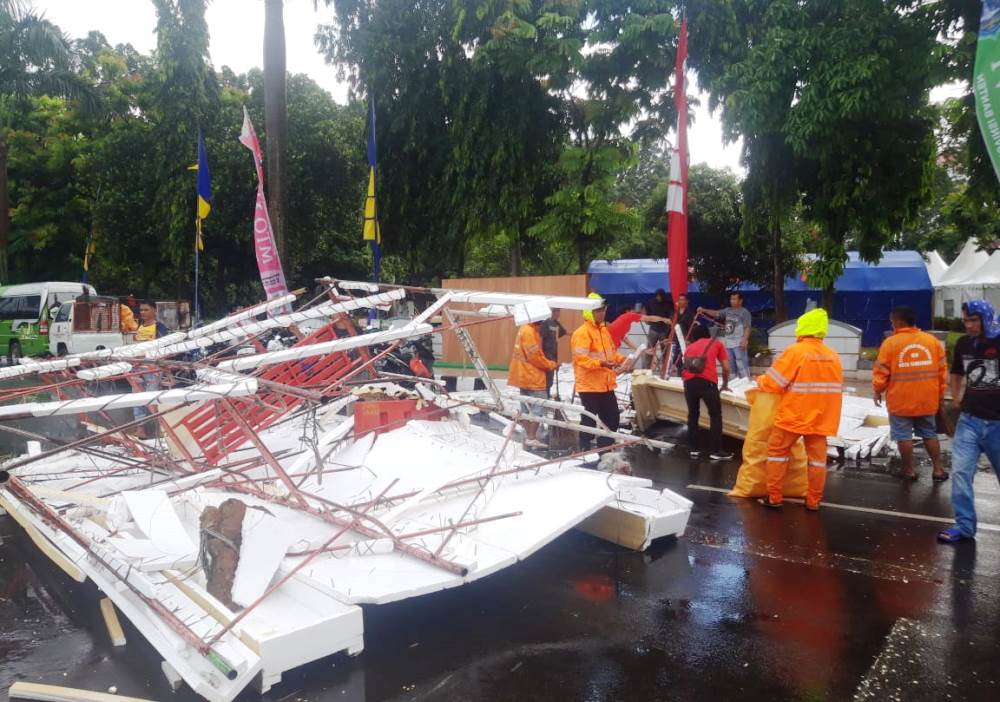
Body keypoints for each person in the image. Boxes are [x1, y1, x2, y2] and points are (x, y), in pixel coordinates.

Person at [756, 308, 843, 511]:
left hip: (794, 414)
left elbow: (774, 383)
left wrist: (760, 380)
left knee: (777, 453)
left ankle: (775, 498)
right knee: (818, 462)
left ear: (802, 328)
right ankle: (813, 502)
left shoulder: (796, 352)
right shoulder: (833, 356)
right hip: (822, 417)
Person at [937, 300, 1000, 543]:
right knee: (961, 473)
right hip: (970, 421)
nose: (969, 325)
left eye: (974, 320)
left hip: (997, 423)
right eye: (966, 321)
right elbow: (956, 371)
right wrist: (956, 397)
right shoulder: (964, 344)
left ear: (985, 318)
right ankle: (964, 526)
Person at [872, 305, 948, 481]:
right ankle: (938, 470)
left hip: (901, 400)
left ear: (898, 322)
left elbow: (881, 372)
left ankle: (908, 471)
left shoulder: (890, 343)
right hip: (927, 399)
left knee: (903, 436)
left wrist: (877, 391)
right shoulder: (932, 341)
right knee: (929, 433)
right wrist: (940, 395)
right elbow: (942, 372)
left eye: (892, 322)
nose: (892, 325)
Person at [572, 293, 625, 450]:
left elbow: (611, 353)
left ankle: (603, 447)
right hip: (589, 385)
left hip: (605, 384)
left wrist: (623, 360)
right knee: (589, 420)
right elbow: (581, 359)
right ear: (590, 312)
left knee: (613, 418)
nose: (602, 313)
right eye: (598, 310)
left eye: (603, 310)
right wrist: (601, 363)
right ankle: (584, 448)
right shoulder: (581, 333)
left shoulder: (603, 331)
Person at [682, 324, 732, 460]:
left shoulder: (689, 348)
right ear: (708, 333)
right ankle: (715, 451)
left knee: (693, 415)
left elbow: (685, 367)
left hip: (689, 383)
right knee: (715, 415)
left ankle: (693, 448)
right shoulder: (717, 344)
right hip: (707, 383)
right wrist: (725, 384)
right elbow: (726, 368)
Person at [510, 320, 559, 449]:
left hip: (522, 375)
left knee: (526, 408)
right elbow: (535, 357)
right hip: (533, 377)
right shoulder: (530, 332)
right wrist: (551, 365)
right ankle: (531, 438)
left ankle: (529, 437)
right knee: (538, 408)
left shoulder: (524, 329)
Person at [698, 292, 752, 379]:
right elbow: (716, 313)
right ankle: (733, 382)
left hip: (739, 343)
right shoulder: (727, 311)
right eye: (731, 299)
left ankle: (746, 382)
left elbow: (747, 327)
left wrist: (745, 340)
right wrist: (704, 310)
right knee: (731, 365)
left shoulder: (745, 312)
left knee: (741, 364)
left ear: (740, 301)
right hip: (729, 343)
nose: (732, 301)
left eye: (735, 299)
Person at [606, 305, 671, 351]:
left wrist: (640, 350)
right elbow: (649, 318)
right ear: (627, 311)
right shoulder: (629, 315)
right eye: (632, 310)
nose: (634, 312)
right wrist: (663, 319)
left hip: (612, 347)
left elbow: (626, 340)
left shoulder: (624, 323)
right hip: (608, 345)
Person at [641, 289, 674, 367]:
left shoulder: (668, 303)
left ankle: (665, 368)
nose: (658, 297)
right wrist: (646, 320)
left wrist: (670, 325)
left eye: (660, 296)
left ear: (663, 296)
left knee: (665, 351)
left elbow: (672, 315)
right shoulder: (651, 302)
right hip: (653, 329)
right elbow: (645, 310)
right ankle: (646, 369)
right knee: (650, 350)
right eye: (657, 296)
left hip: (664, 330)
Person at [539, 309, 567, 396]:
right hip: (546, 355)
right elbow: (541, 339)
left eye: (559, 311)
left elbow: (564, 332)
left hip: (553, 355)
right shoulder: (545, 323)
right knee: (546, 378)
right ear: (552, 312)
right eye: (556, 311)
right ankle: (544, 396)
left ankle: (547, 395)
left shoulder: (556, 323)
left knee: (550, 378)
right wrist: (541, 354)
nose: (558, 313)